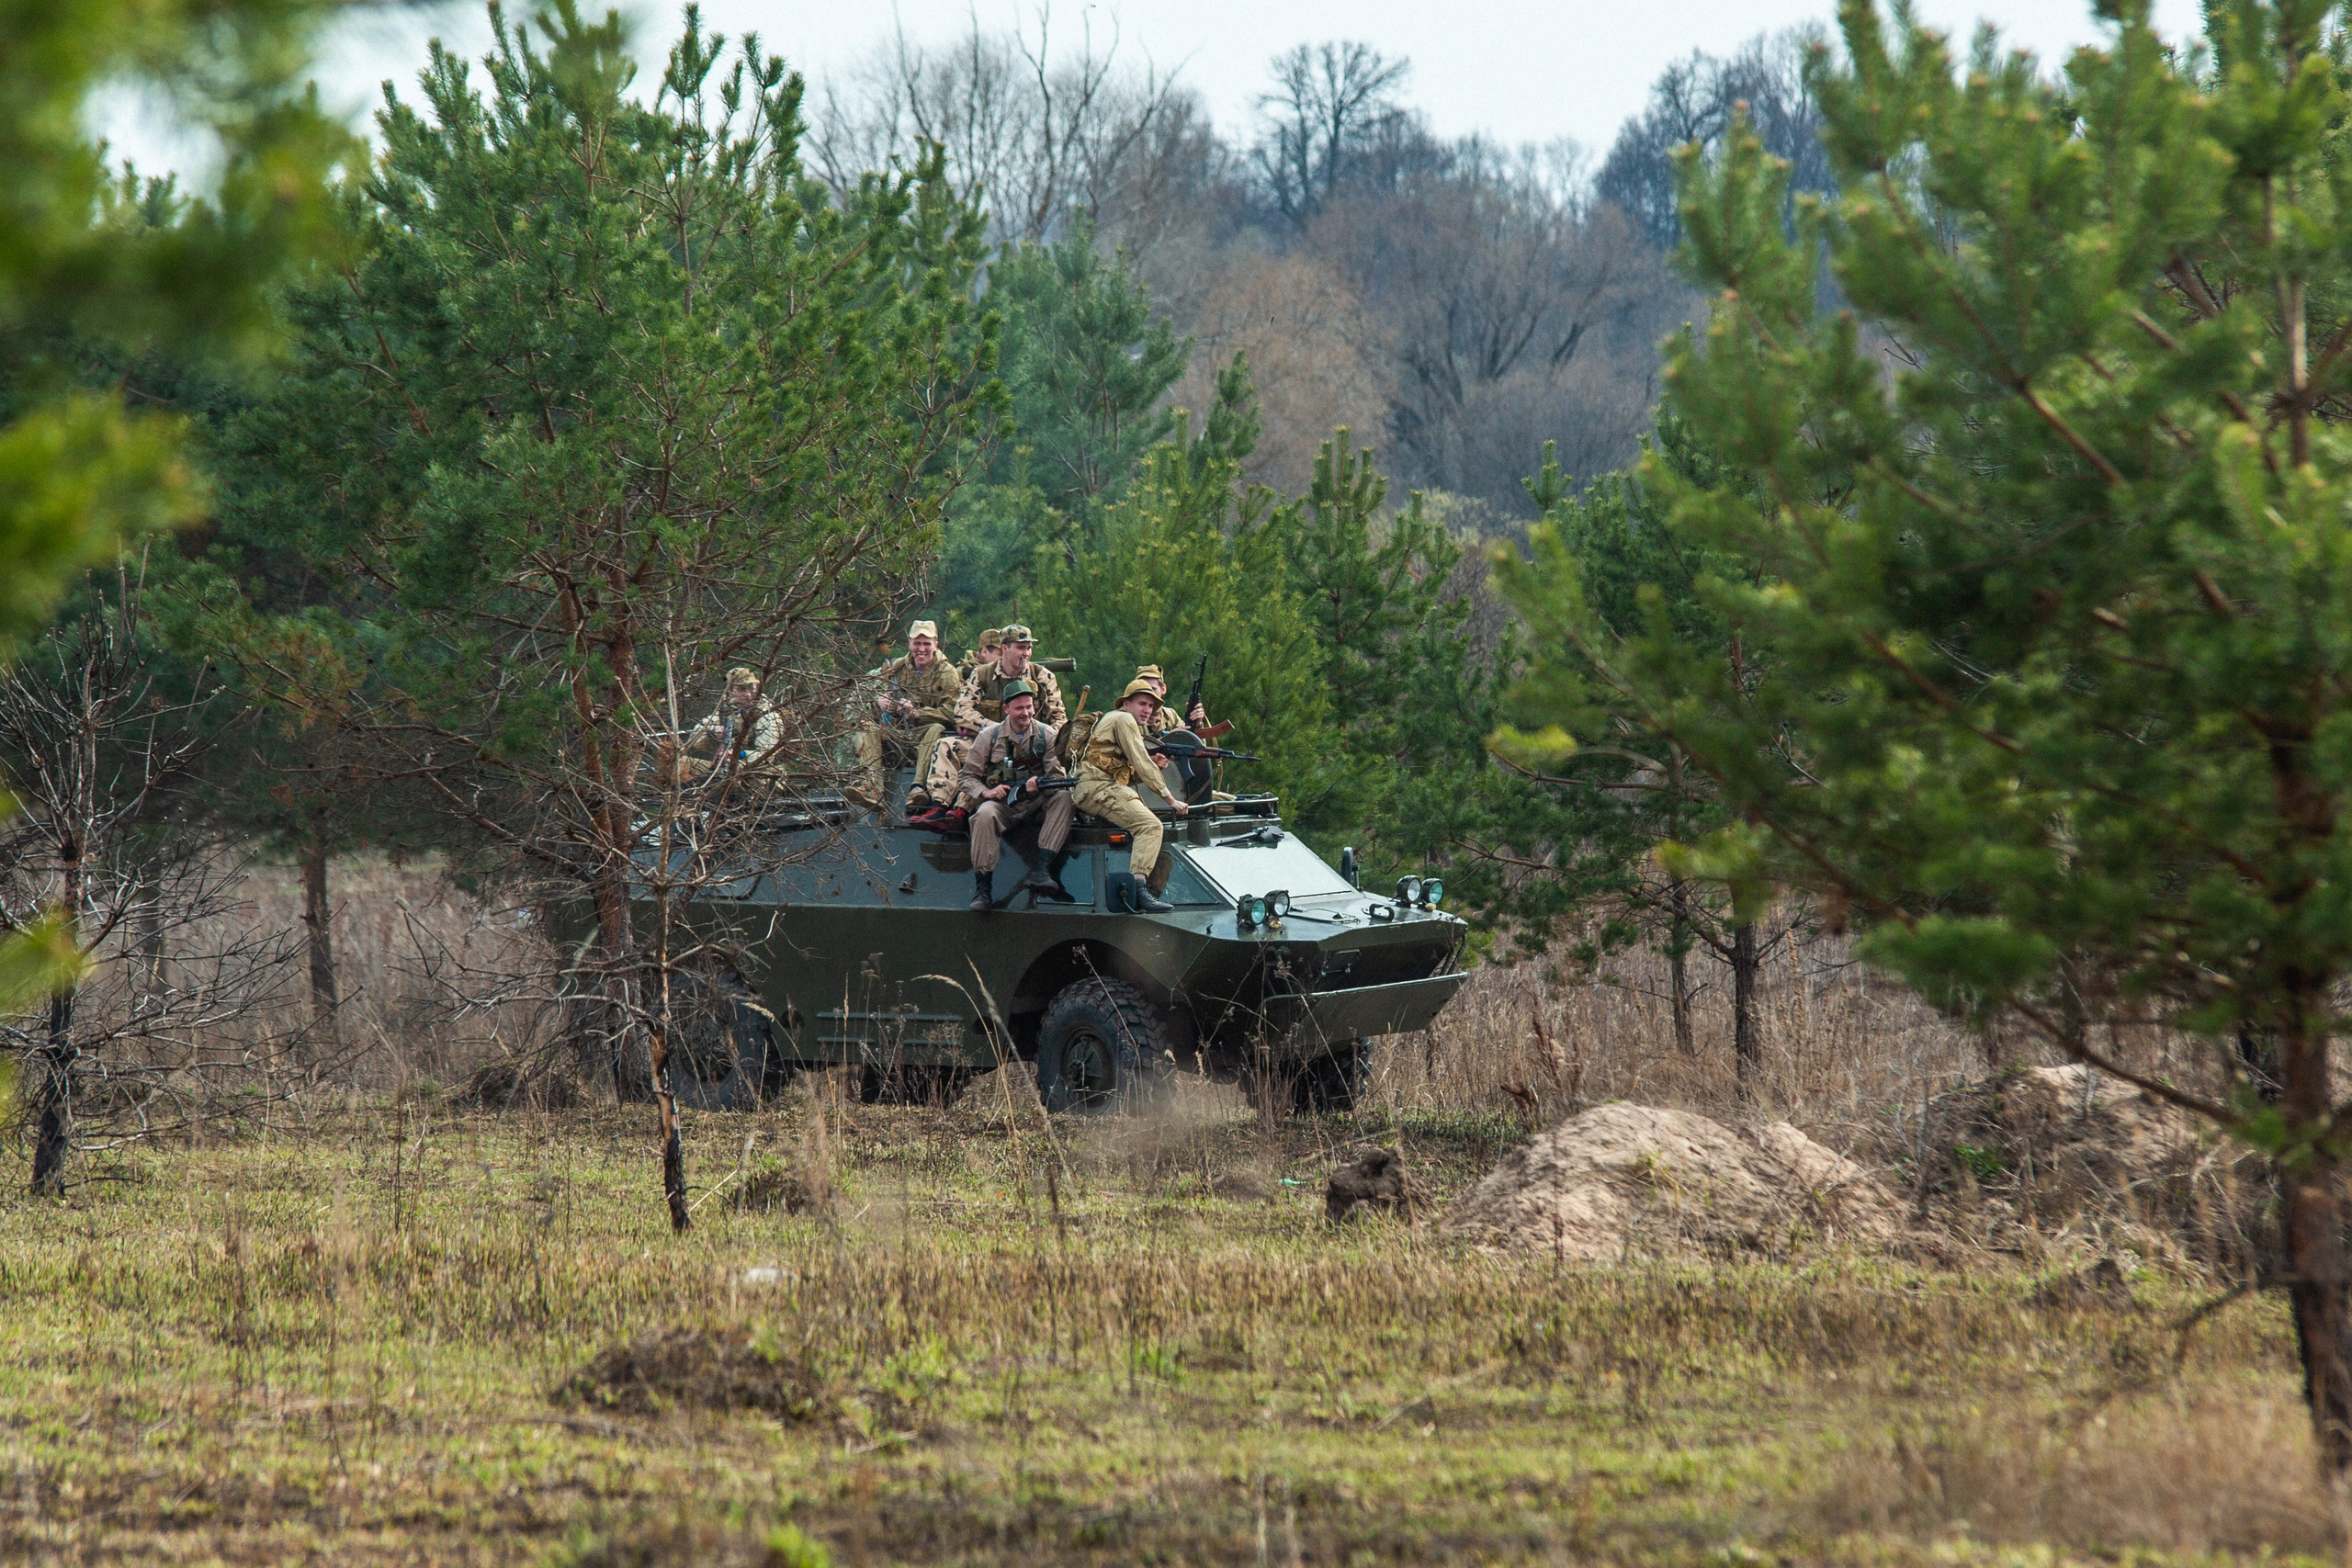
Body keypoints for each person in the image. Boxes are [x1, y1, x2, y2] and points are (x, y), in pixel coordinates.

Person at [959, 679, 1076, 910]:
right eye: (1019, 708)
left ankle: (1042, 868)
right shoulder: (989, 737)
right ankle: (983, 889)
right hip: (1004, 804)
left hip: (1037, 803)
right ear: (1006, 709)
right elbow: (966, 777)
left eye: (1029, 707)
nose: (1026, 713)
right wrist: (987, 791)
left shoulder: (1046, 735)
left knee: (1065, 798)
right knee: (983, 815)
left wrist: (1038, 786)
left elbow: (1056, 777)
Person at [1075, 678, 1188, 913]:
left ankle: (1142, 890)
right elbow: (1140, 761)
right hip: (1098, 787)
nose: (1147, 710)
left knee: (1148, 825)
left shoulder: (1116, 720)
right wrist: (1170, 799)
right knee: (1150, 826)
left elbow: (1127, 772)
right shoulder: (1124, 719)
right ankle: (1139, 890)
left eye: (1151, 706)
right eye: (1142, 704)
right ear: (1126, 704)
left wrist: (1153, 765)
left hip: (1098, 786)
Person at [854, 619, 961, 811]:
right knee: (865, 727)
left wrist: (917, 712)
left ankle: (917, 788)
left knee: (936, 729)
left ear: (936, 645)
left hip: (924, 738)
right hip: (897, 735)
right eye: (917, 643)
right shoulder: (898, 668)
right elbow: (874, 694)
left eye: (927, 644)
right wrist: (881, 703)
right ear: (910, 644)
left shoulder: (947, 673)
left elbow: (952, 713)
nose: (921, 649)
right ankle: (872, 789)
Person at [671, 665, 784, 786]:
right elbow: (695, 735)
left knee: (734, 775)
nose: (748, 694)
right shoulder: (728, 709)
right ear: (730, 690)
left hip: (762, 775)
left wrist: (738, 754)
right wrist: (713, 731)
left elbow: (768, 756)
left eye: (751, 688)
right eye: (742, 689)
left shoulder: (767, 715)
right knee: (679, 765)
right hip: (728, 768)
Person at [956, 624, 1067, 730]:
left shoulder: (1042, 676)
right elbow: (962, 710)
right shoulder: (982, 675)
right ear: (1004, 648)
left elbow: (1059, 718)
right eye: (1021, 648)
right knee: (949, 742)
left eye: (1029, 648)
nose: (1026, 653)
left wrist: (1045, 737)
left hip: (1034, 739)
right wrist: (994, 728)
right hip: (991, 739)